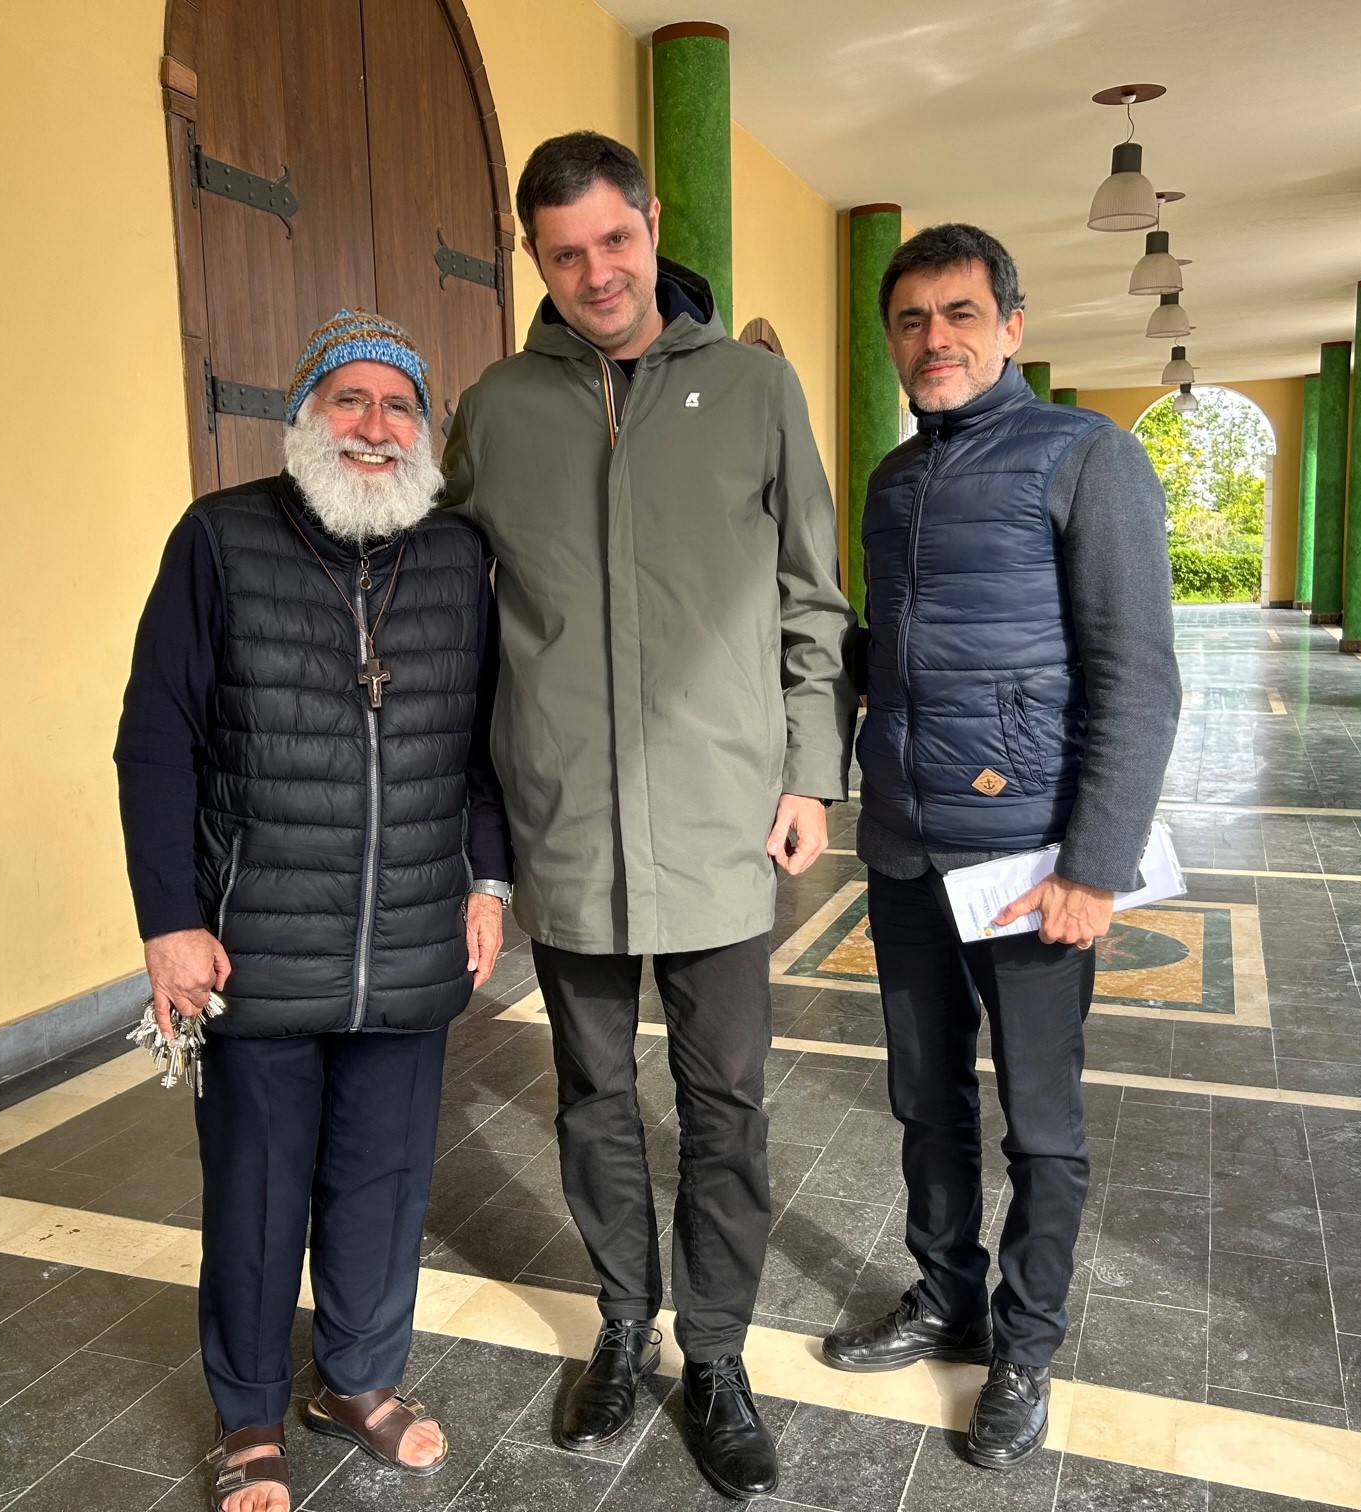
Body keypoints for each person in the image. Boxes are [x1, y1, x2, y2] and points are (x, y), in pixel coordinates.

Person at [442, 131, 854, 1501]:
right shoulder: (498, 410)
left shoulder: (754, 390)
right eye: (566, 253)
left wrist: (810, 773)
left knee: (724, 1104)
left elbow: (812, 598)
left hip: (723, 825)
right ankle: (625, 1324)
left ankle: (717, 1354)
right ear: (535, 257)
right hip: (566, 825)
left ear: (653, 223)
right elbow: (450, 604)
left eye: (615, 240)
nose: (598, 273)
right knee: (594, 1098)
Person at [114, 309, 512, 1512]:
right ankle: (247, 1414)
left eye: (399, 406)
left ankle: (358, 1380)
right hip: (258, 943)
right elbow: (155, 743)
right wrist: (170, 921)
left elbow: (487, 744)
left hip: (411, 933)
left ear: (425, 431)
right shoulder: (218, 539)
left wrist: (489, 880)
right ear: (305, 417)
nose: (375, 427)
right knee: (255, 1193)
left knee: (384, 1183)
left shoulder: (458, 556)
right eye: (350, 400)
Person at [819, 225, 1179, 1472]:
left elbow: (1138, 677)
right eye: (912, 320)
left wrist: (1096, 864)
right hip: (906, 848)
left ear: (1013, 327)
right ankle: (946, 1297)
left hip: (1029, 864)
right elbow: (893, 657)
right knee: (925, 1101)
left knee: (1040, 1121)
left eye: (961, 314)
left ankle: (1024, 1346)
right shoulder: (892, 482)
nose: (936, 339)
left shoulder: (1088, 456)